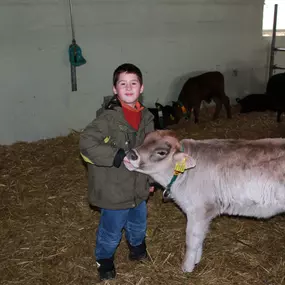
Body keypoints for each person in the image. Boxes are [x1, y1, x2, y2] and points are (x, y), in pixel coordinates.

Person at [79, 63, 155, 281]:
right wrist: (119, 155)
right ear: (115, 89)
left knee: (138, 224)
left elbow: (150, 151)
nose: (128, 88)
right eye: (123, 83)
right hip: (114, 188)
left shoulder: (147, 118)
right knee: (111, 231)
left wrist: (150, 179)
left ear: (141, 88)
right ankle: (104, 260)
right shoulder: (107, 119)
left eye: (134, 83)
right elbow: (86, 142)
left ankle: (137, 249)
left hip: (138, 185)